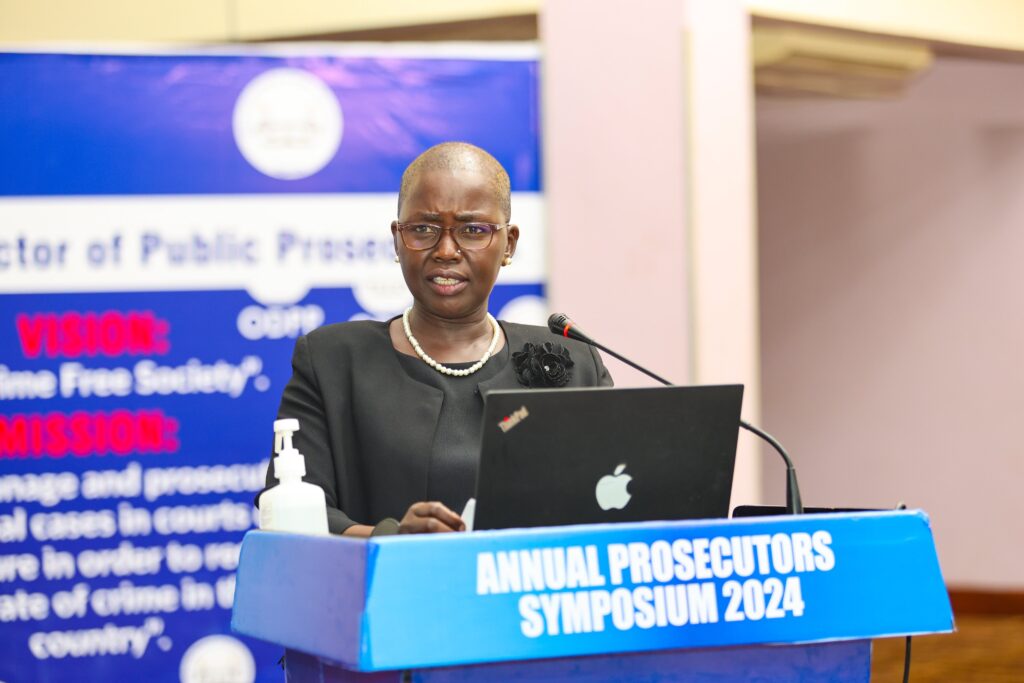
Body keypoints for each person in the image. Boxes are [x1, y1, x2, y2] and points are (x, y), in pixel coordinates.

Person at [259, 142, 612, 537]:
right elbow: (293, 514)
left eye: (473, 230)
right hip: (387, 579)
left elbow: (619, 498)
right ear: (397, 239)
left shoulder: (573, 362)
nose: (446, 251)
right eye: (423, 229)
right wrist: (392, 539)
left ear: (509, 244)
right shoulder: (332, 362)